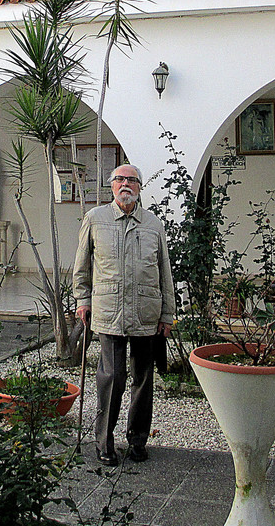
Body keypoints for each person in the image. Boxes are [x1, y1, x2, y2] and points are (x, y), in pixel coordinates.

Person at [73, 163, 174, 466]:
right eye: (120, 179)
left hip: (146, 312)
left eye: (132, 180)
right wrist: (82, 299)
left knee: (143, 379)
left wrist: (167, 313)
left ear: (140, 188)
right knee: (112, 377)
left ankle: (138, 440)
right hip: (109, 312)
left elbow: (165, 272)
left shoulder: (153, 224)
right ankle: (104, 442)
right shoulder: (95, 219)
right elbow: (81, 267)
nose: (125, 184)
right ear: (112, 185)